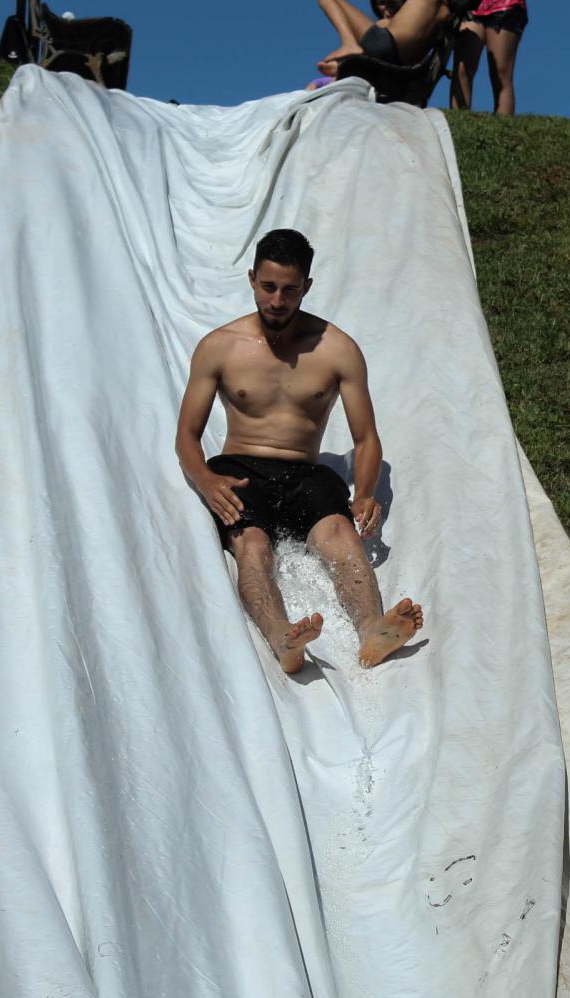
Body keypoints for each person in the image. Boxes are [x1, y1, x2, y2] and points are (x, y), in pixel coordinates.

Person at [176, 229, 424, 675]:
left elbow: (366, 439)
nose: (277, 300)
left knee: (341, 535)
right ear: (252, 280)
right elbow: (187, 436)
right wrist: (207, 480)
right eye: (268, 287)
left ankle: (373, 629)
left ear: (306, 286)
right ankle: (281, 636)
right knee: (253, 546)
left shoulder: (337, 350)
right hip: (240, 470)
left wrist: (365, 493)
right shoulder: (219, 347)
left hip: (304, 473)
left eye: (289, 290)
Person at [314, 0, 472, 78]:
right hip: (400, 59)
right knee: (383, 26)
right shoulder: (443, 14)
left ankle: (348, 44)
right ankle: (348, 62)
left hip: (387, 45)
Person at [450, 0, 525, 114]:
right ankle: (458, 121)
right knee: (462, 69)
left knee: (500, 74)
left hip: (505, 5)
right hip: (470, 5)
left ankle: (502, 124)